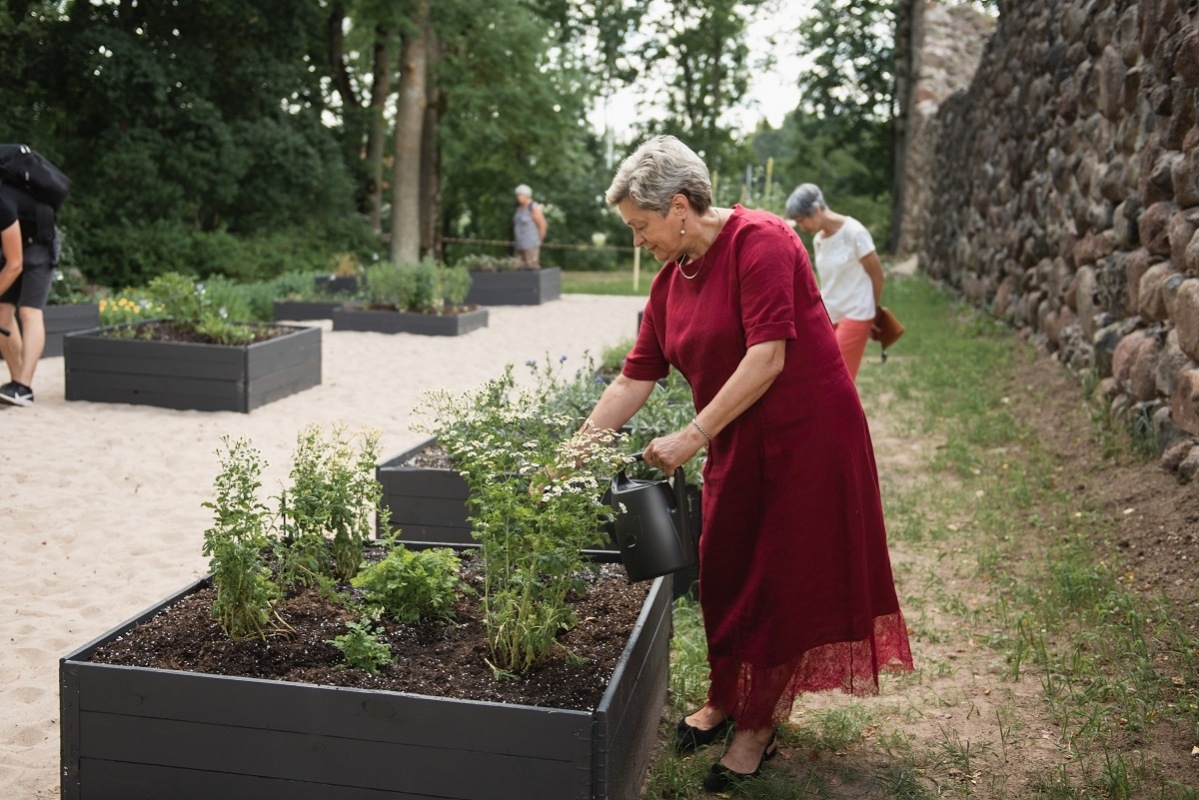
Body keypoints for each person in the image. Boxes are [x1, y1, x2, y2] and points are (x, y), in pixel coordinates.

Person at [580, 136, 912, 793]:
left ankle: (757, 726)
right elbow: (631, 380)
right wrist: (574, 447)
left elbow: (767, 358)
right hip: (737, 437)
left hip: (807, 436)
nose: (637, 241)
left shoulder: (763, 242)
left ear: (678, 207)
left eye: (640, 227)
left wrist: (690, 435)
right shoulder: (668, 285)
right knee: (727, 568)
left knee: (781, 581)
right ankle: (725, 697)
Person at [785, 184, 886, 380]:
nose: (802, 227)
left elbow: (878, 275)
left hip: (856, 312)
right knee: (820, 374)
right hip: (830, 314)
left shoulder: (855, 233)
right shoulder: (818, 240)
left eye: (802, 221)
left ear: (816, 210)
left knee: (838, 377)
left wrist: (872, 312)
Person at [0, 186, 53, 407]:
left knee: (29, 311)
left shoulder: (1, 204)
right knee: (2, 311)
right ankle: (15, 383)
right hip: (10, 246)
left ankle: (24, 387)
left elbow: (15, 265)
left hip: (38, 244)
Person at [512, 183, 546, 269]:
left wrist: (539, 240)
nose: (518, 197)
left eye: (521, 195)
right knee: (516, 269)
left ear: (527, 195)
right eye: (518, 195)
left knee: (531, 269)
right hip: (519, 245)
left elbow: (542, 224)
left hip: (530, 245)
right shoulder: (518, 208)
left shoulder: (533, 207)